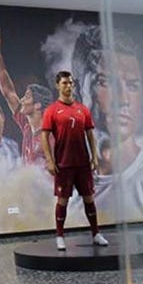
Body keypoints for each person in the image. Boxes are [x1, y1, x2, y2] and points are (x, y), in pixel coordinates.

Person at [71, 25, 143, 222]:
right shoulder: (66, 184)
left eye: (132, 86)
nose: (123, 100)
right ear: (78, 90)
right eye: (105, 82)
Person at [41, 70, 109, 251]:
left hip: (83, 163)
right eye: (65, 83)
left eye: (71, 83)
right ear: (57, 85)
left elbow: (90, 134)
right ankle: (60, 236)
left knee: (89, 198)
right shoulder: (51, 111)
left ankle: (96, 234)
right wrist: (49, 160)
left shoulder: (83, 109)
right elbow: (44, 137)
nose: (68, 86)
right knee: (62, 200)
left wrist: (94, 156)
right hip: (63, 164)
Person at [0, 28, 54, 166]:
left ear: (38, 105)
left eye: (27, 96)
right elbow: (8, 92)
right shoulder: (27, 126)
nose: (22, 100)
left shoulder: (50, 137)